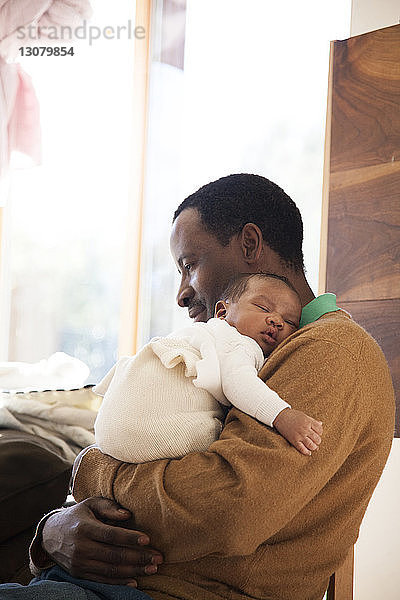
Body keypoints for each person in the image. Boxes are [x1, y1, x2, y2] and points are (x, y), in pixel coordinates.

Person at [1, 174, 394, 600]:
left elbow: (230, 508)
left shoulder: (332, 349)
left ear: (248, 245)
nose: (181, 293)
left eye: (190, 264)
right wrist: (52, 529)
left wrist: (93, 473)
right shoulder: (245, 349)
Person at [94, 272, 323, 464]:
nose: (276, 321)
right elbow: (240, 383)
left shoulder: (204, 336)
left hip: (109, 431)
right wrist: (283, 416)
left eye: (290, 322)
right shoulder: (238, 341)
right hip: (149, 431)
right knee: (218, 432)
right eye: (263, 307)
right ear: (223, 313)